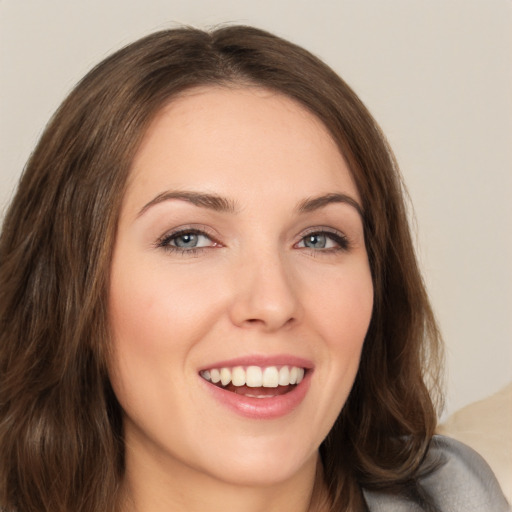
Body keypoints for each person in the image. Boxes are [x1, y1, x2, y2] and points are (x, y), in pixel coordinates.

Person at [0, 25, 508, 512]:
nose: (273, 302)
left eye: (319, 239)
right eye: (189, 238)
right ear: (71, 288)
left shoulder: (455, 495)